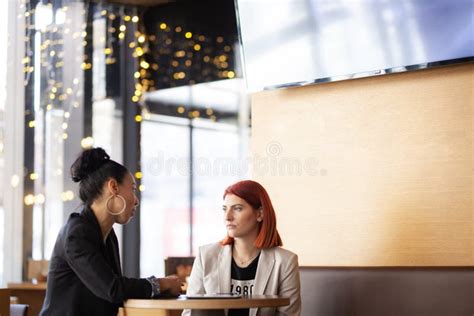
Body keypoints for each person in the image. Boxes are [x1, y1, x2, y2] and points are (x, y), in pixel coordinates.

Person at [40, 147, 181, 316]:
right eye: (133, 189)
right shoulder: (77, 233)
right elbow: (113, 289)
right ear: (113, 186)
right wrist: (161, 284)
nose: (136, 201)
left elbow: (115, 294)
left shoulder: (107, 234)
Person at [184, 180, 301, 316]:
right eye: (224, 209)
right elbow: (189, 312)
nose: (227, 217)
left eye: (237, 208)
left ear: (260, 214)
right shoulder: (205, 256)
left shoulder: (285, 261)